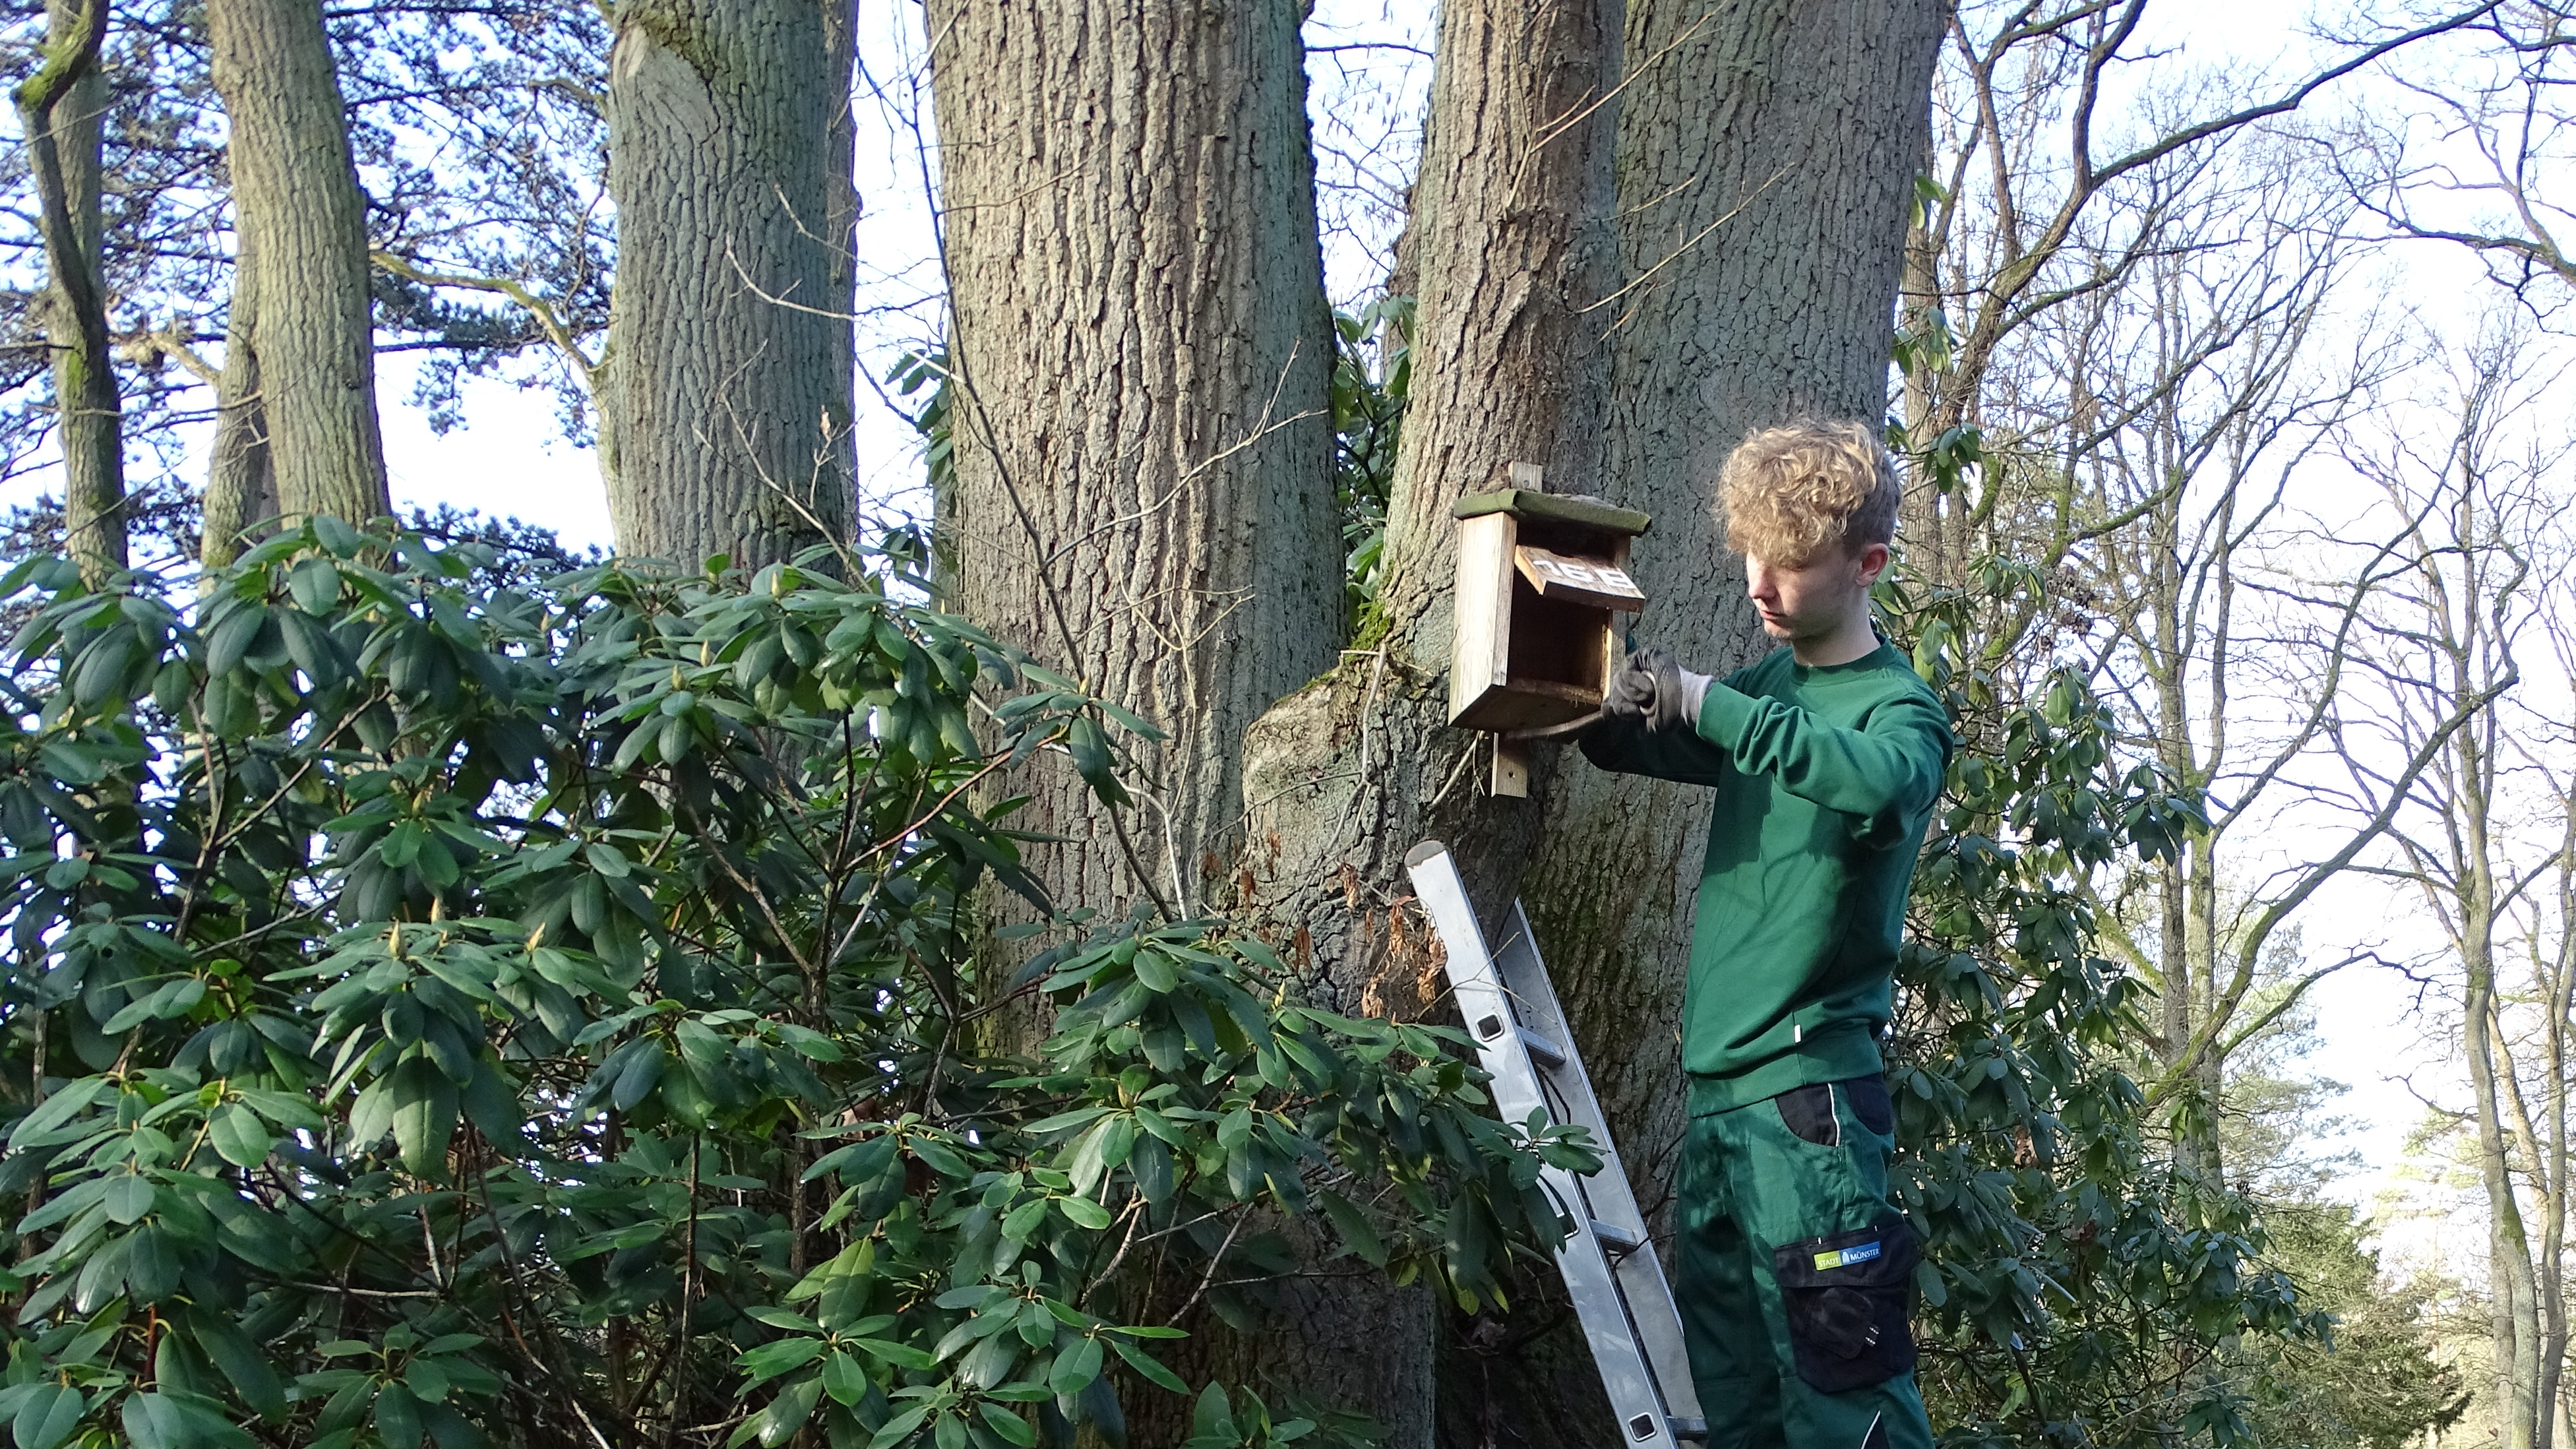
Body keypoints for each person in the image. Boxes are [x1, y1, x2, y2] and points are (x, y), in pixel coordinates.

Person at [1581, 419, 1952, 1449]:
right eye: (1750, 552)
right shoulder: (1769, 696)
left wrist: (1705, 702)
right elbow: (1635, 745)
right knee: (1736, 1408)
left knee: (1848, 1407)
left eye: (1788, 562)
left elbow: (1874, 784)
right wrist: (1590, 696)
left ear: (1866, 564)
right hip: (1715, 1107)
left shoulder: (1897, 713)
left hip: (1808, 1109)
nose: (1758, 583)